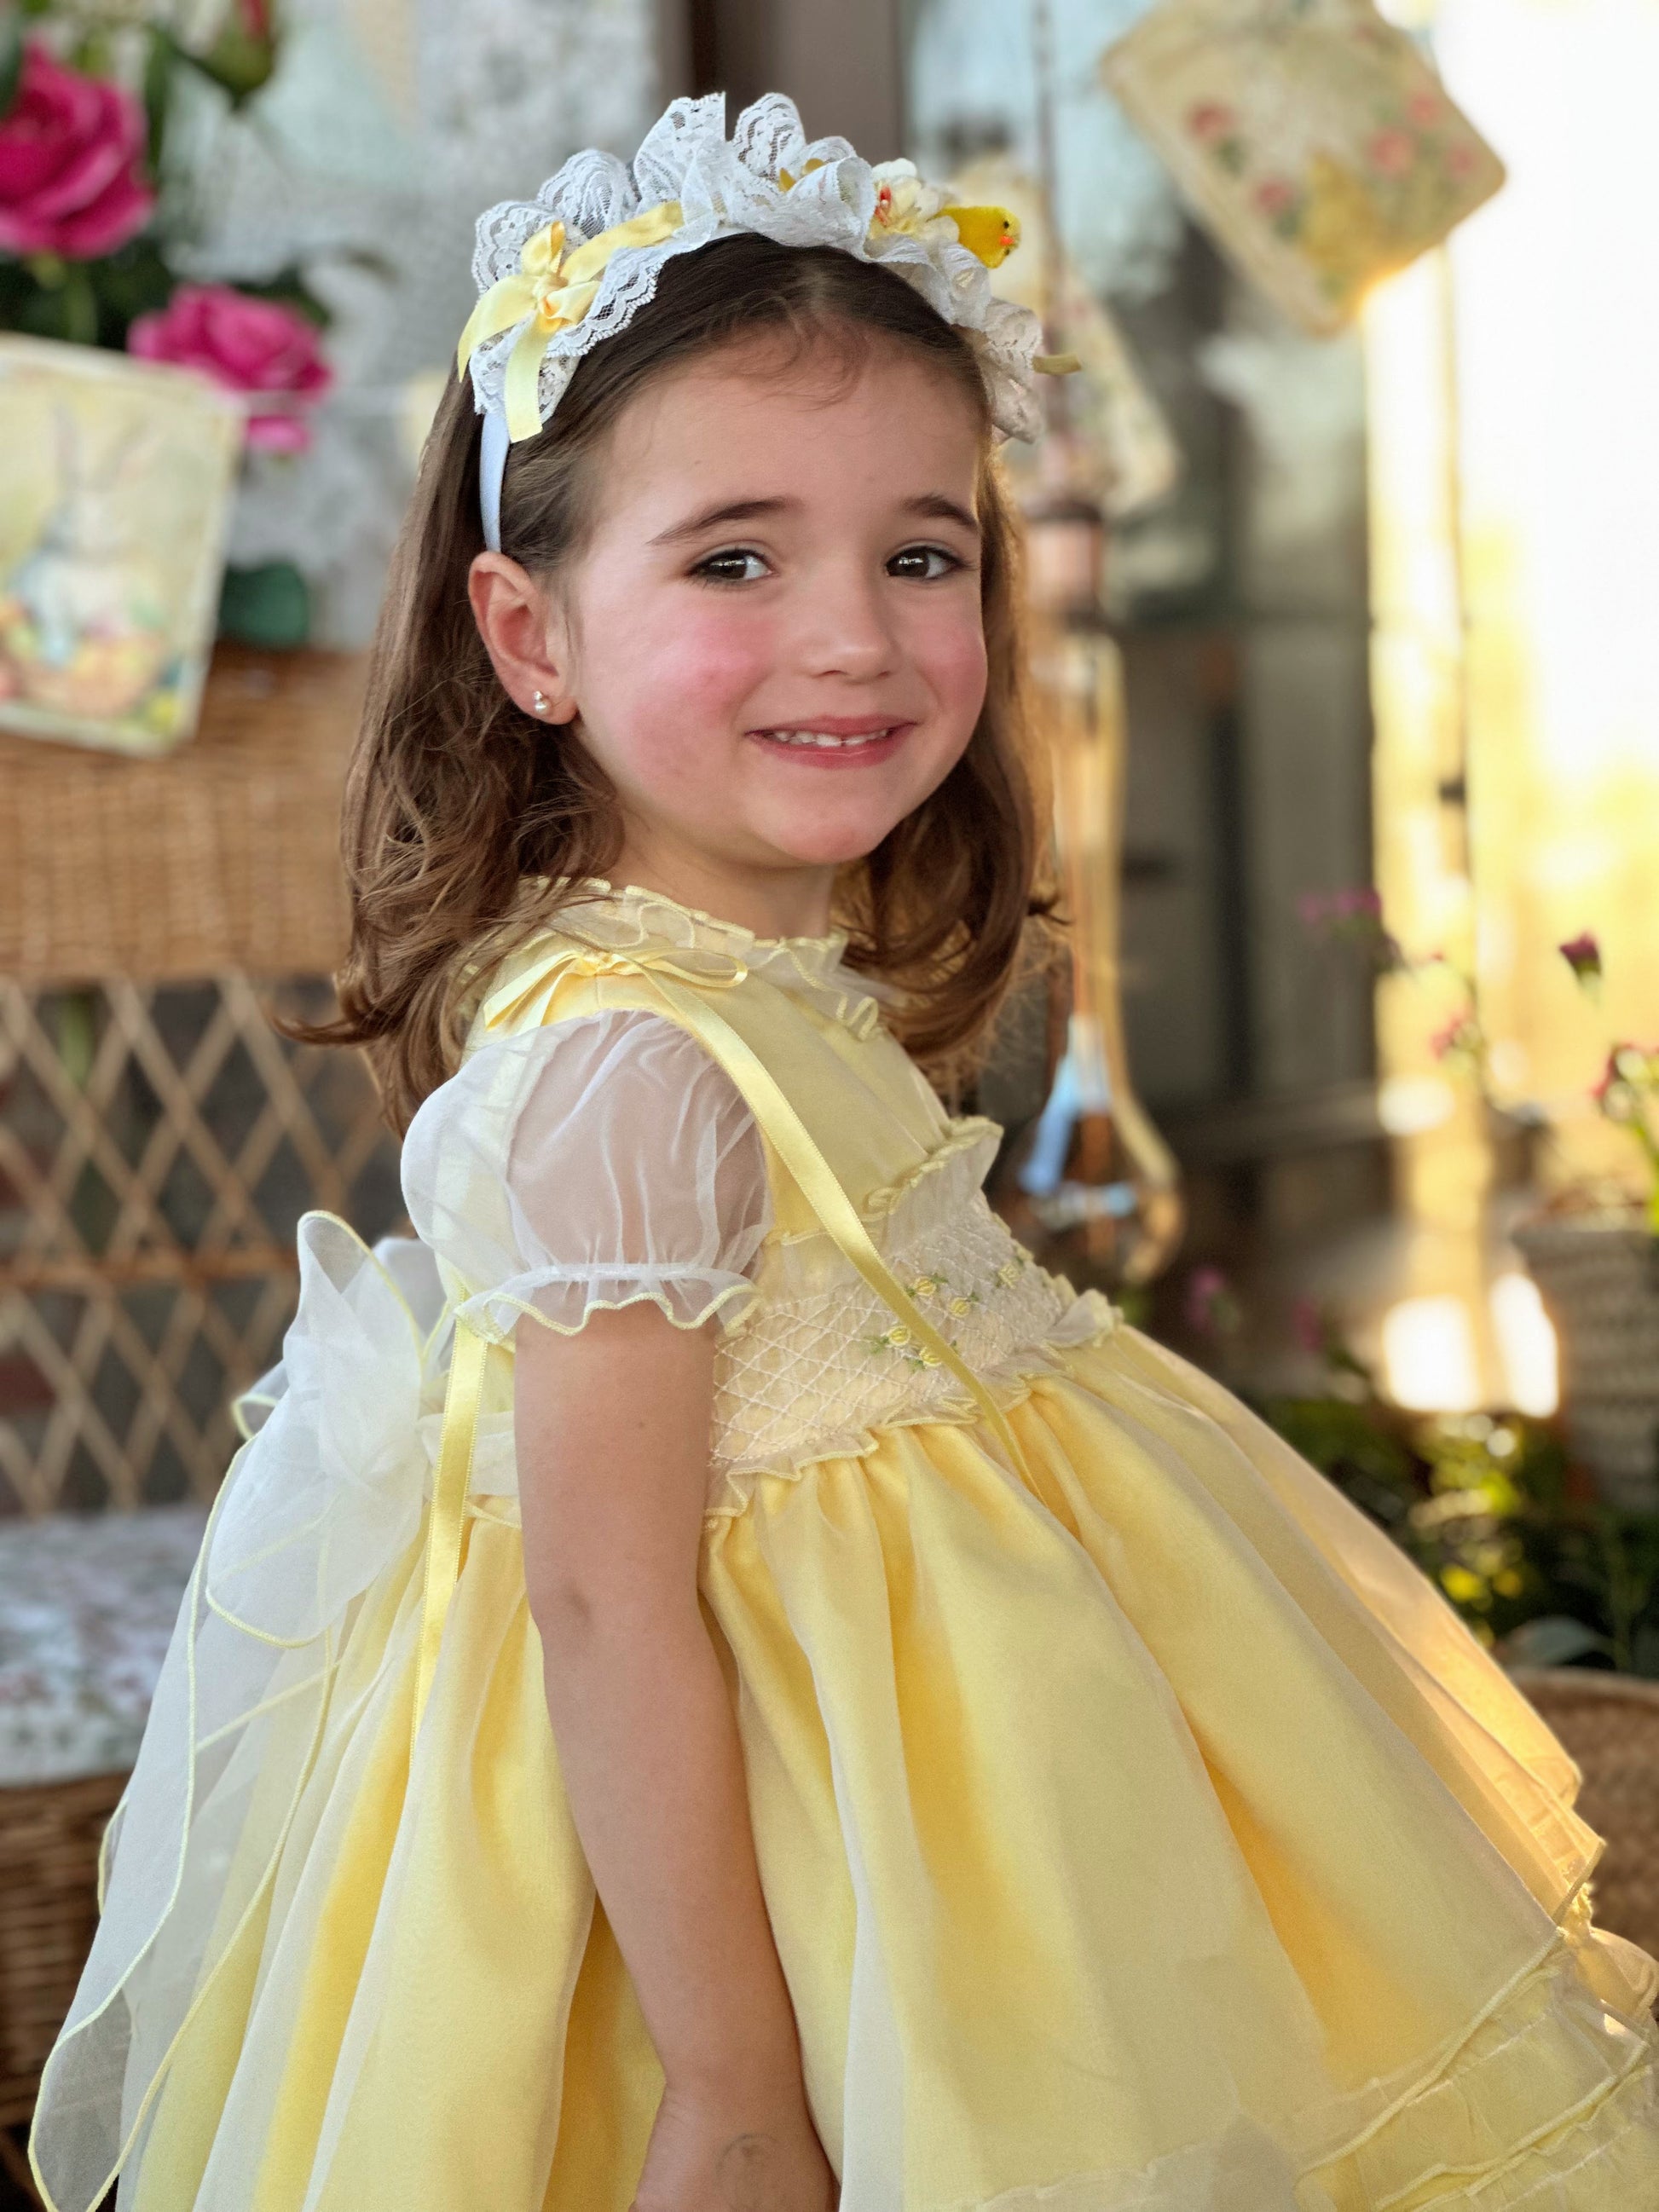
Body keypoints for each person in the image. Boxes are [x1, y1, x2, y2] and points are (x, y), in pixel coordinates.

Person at [30, 91, 1659, 2212]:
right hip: (800, 1879)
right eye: (735, 556)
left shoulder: (765, 985)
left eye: (922, 551)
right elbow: (604, 1600)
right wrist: (730, 2081)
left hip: (985, 1801)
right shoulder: (631, 1070)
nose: (857, 635)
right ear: (530, 634)